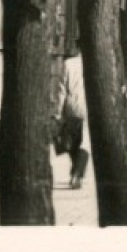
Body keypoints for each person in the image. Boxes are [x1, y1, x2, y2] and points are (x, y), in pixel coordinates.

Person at [54, 45, 89, 189]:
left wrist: (57, 112)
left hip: (71, 106)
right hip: (89, 106)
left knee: (73, 142)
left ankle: (75, 171)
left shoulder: (68, 64)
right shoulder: (95, 65)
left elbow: (61, 89)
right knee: (85, 144)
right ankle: (77, 174)